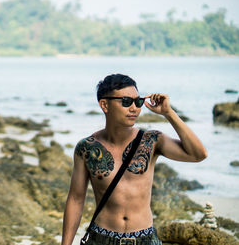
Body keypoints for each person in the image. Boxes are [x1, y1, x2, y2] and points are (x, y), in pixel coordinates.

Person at [61, 74, 207, 245]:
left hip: (144, 239)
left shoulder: (152, 141)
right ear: (104, 105)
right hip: (101, 239)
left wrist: (169, 113)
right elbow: (76, 199)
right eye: (125, 101)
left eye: (137, 102)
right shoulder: (87, 148)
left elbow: (198, 154)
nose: (134, 108)